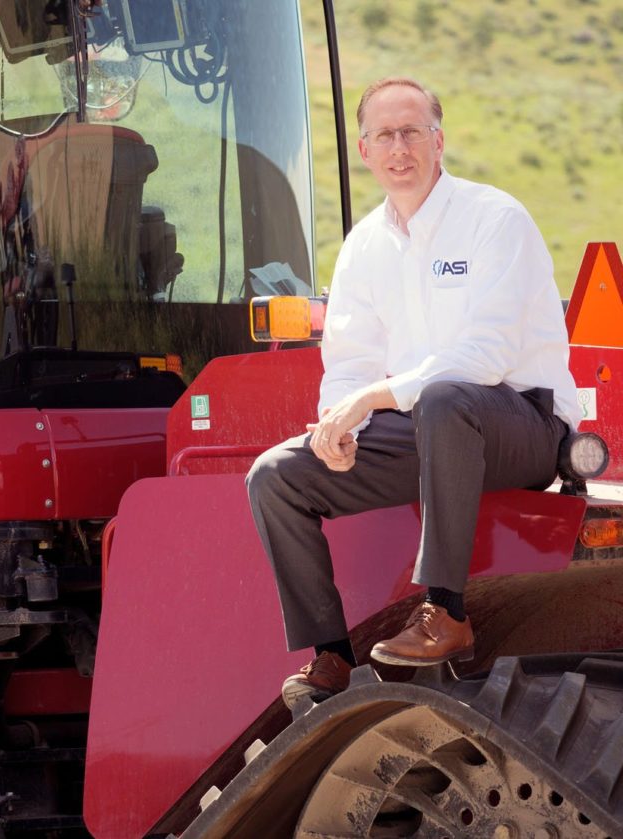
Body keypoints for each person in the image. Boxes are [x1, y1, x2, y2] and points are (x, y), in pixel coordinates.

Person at [245, 77, 581, 710]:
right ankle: (332, 656)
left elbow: (485, 358)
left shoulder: (495, 219)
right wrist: (339, 427)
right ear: (364, 151)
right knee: (276, 476)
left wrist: (372, 399)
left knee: (446, 398)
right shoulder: (363, 247)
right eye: (384, 135)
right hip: (425, 431)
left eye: (412, 132)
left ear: (439, 140)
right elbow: (349, 363)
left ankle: (446, 612)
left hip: (523, 426)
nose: (399, 148)